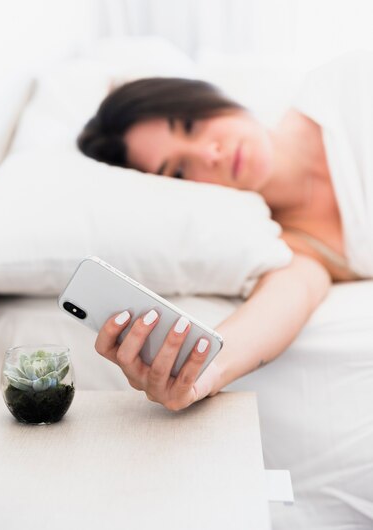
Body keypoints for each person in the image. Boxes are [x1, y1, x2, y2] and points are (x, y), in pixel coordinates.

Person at [77, 52, 373, 412]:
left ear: (208, 98)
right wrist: (202, 375)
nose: (209, 153)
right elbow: (279, 305)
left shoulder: (342, 87)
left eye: (189, 124)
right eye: (180, 172)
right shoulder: (297, 251)